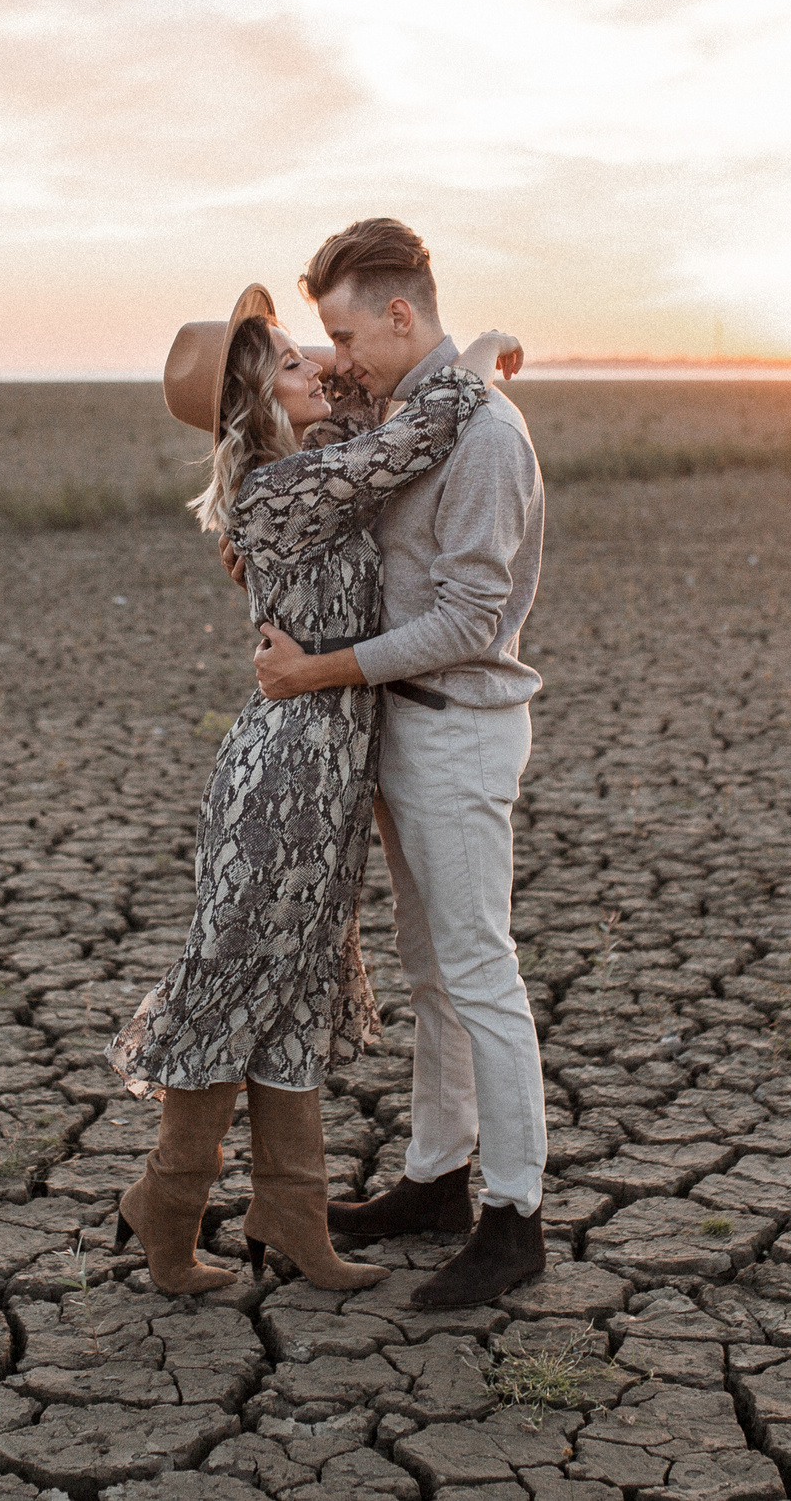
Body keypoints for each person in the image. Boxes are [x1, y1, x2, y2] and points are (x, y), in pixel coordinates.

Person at [106, 282, 522, 1295]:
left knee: (299, 983)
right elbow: (410, 436)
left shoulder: (311, 464)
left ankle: (289, 1211)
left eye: (315, 353)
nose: (322, 368)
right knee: (237, 977)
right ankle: (164, 1206)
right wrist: (477, 359)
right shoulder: (285, 491)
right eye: (295, 362)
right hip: (285, 770)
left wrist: (405, 368)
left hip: (335, 768)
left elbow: (371, 420)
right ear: (258, 398)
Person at [248, 218, 551, 1309]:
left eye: (343, 335)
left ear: (397, 313)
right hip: (402, 727)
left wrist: (324, 670)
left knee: (478, 971)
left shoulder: (484, 439)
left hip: (460, 724)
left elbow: (471, 618)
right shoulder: (419, 406)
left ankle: (516, 1216)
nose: (333, 360)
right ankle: (436, 1180)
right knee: (432, 975)